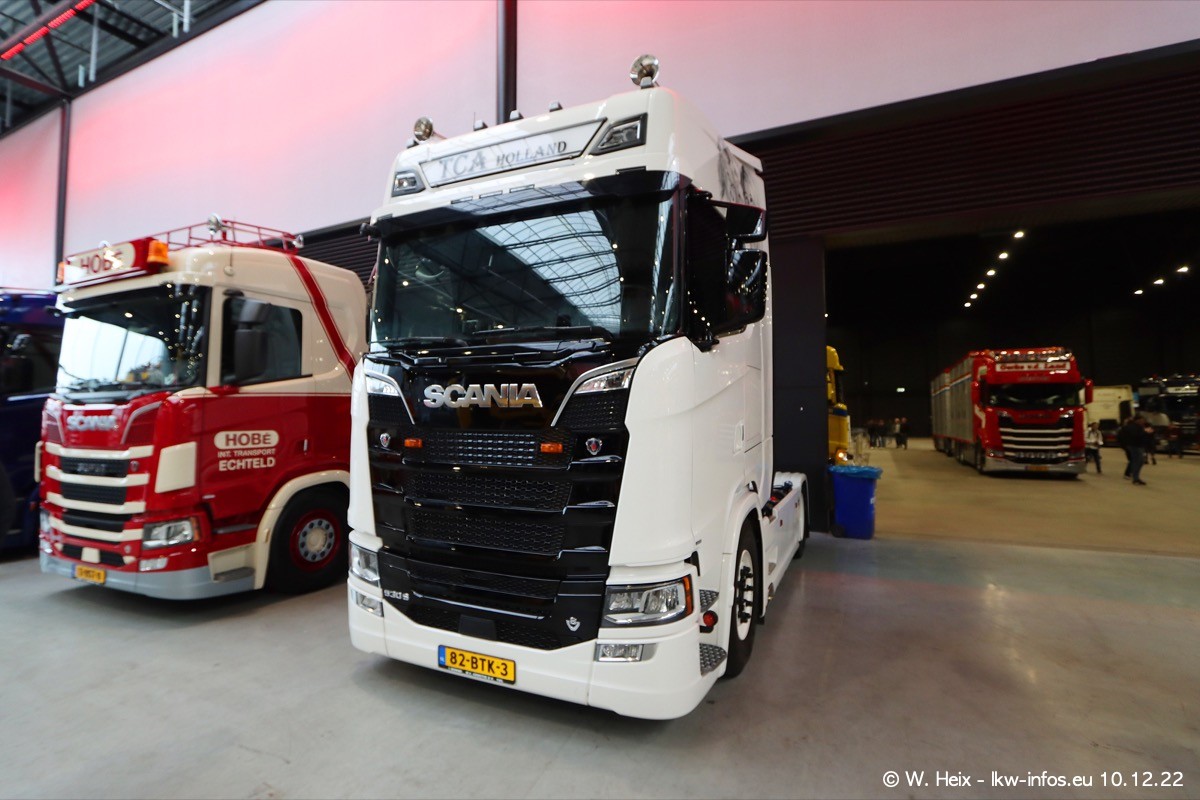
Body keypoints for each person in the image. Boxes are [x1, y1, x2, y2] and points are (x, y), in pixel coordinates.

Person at [1117, 415, 1148, 485]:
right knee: (1137, 461)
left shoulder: (1138, 426)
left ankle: (1135, 477)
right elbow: (1135, 436)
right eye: (1142, 420)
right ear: (1138, 420)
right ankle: (1135, 478)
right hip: (1134, 446)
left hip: (1138, 445)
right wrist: (1145, 432)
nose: (1143, 421)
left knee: (1138, 461)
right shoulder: (1132, 427)